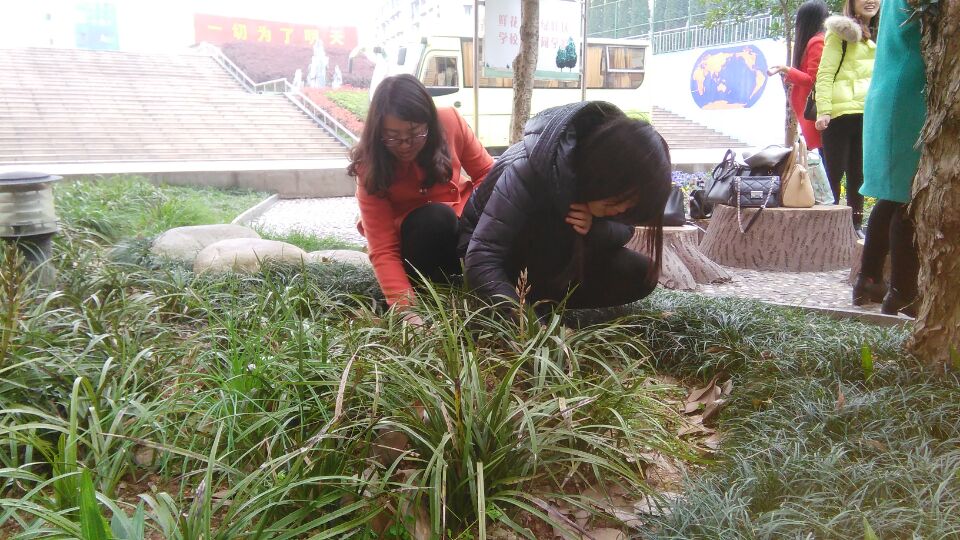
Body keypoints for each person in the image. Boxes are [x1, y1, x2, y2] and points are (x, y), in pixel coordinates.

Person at [459, 101, 671, 314]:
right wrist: (525, 322)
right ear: (603, 175)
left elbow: (625, 229)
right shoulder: (527, 168)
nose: (621, 210)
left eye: (629, 206)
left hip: (552, 261)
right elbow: (482, 256)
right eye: (618, 201)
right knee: (555, 233)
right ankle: (528, 304)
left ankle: (544, 303)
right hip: (497, 257)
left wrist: (593, 227)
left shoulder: (604, 177)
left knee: (640, 273)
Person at [348, 74, 494, 322]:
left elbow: (488, 175)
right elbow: (383, 248)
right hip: (416, 247)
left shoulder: (449, 121)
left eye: (415, 133)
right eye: (393, 136)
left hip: (462, 231)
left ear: (429, 123)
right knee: (436, 218)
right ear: (378, 132)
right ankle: (433, 292)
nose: (405, 145)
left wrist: (479, 218)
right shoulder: (369, 165)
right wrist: (407, 311)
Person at [853, 0, 924, 317]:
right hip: (907, 93)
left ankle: (870, 281)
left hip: (896, 89)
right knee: (908, 197)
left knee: (896, 195)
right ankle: (902, 293)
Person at [814, 0, 879, 238]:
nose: (871, 1)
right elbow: (825, 73)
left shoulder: (881, 32)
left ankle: (855, 225)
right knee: (834, 172)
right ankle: (828, 226)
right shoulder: (840, 31)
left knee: (858, 174)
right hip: (839, 114)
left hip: (868, 112)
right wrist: (824, 110)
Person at [767, 0, 830, 155]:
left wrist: (786, 69)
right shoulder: (815, 40)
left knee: (829, 162)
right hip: (814, 116)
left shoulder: (817, 41)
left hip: (816, 116)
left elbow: (813, 79)